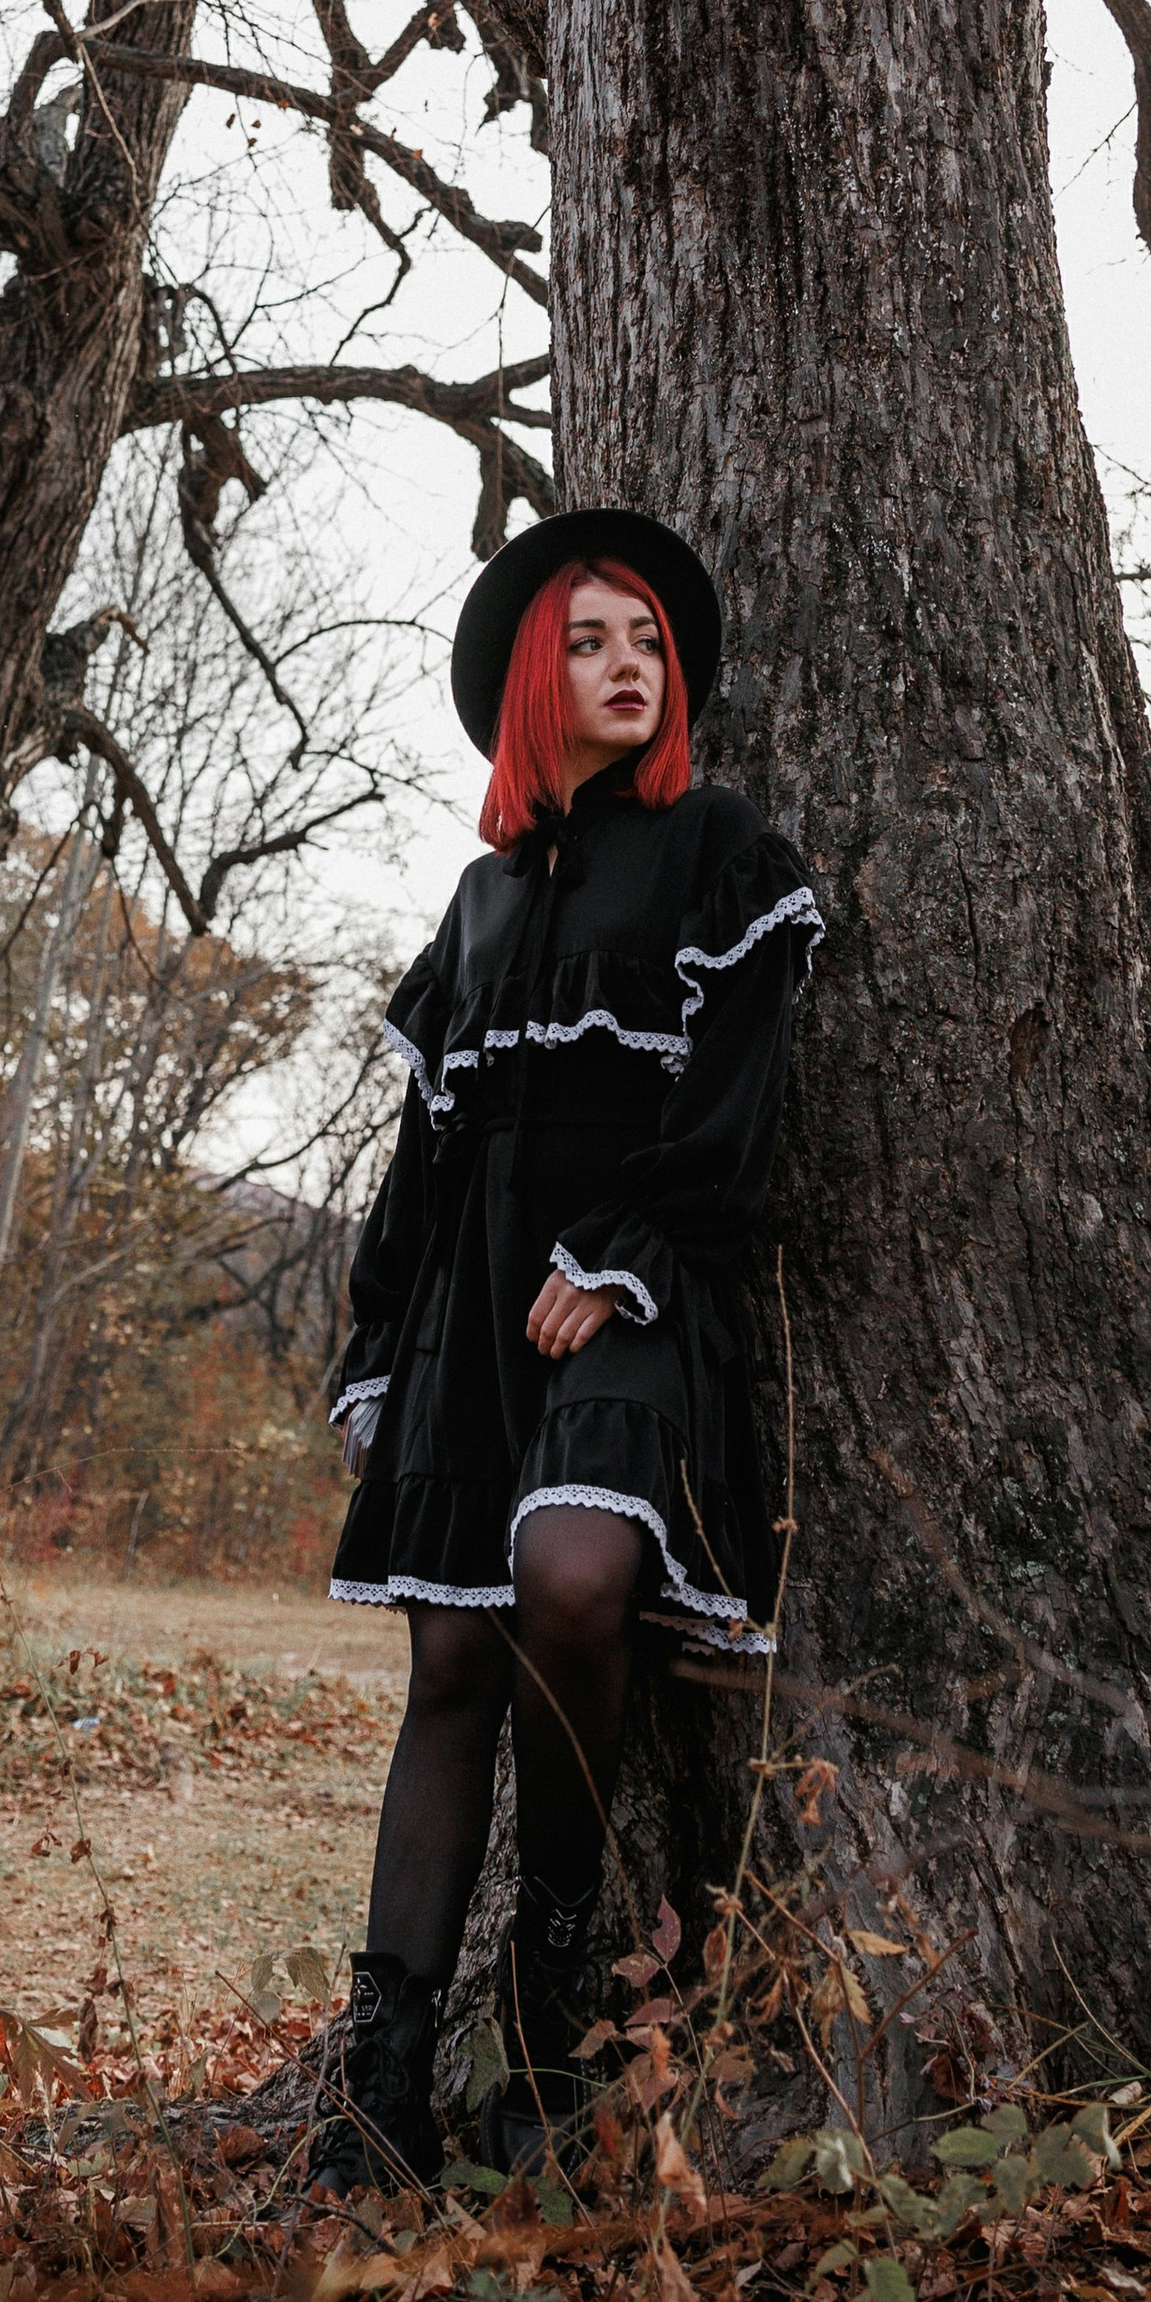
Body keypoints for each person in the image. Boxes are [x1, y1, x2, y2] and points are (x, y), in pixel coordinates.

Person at [313, 508, 822, 2191]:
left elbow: (738, 1107)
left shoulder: (716, 849)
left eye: (647, 646)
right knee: (451, 1669)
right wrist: (383, 1344)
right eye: (591, 642)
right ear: (540, 678)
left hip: (637, 1297)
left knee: (580, 1576)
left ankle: (549, 2004)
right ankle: (384, 2080)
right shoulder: (479, 900)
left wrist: (623, 1254)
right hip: (472, 1320)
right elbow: (424, 1162)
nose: (626, 665)